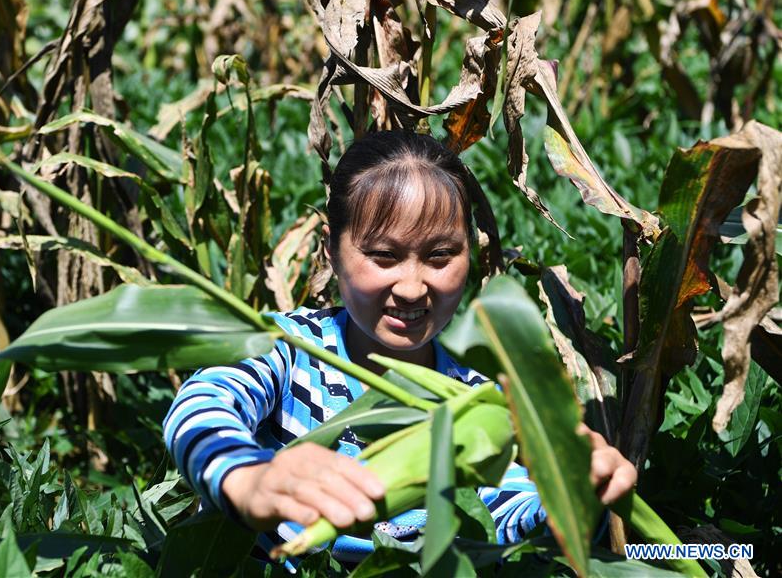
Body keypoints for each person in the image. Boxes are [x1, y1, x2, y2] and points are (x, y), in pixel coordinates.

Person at [162, 130, 637, 565]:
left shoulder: (477, 400)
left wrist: (571, 493)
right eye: (384, 256)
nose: (412, 288)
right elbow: (200, 407)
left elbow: (504, 516)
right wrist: (248, 478)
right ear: (330, 250)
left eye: (439, 256)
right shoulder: (287, 348)